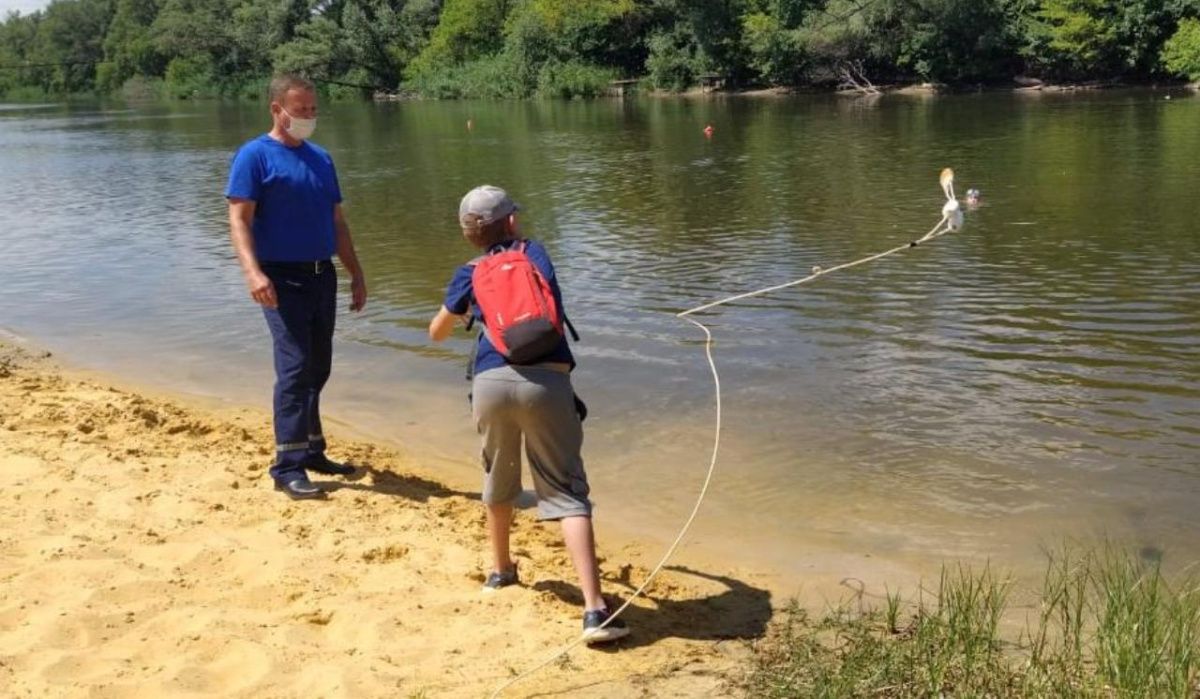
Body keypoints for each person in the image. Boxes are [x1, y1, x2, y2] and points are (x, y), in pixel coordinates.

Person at [428, 186, 630, 644]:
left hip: (490, 383)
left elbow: (436, 332)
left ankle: (500, 571)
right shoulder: (534, 252)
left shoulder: (469, 271)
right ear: (512, 223)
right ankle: (595, 610)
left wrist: (466, 315)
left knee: (499, 476)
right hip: (547, 382)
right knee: (566, 491)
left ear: (468, 234)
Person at [225, 74, 367, 501]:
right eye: (300, 109)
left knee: (318, 366)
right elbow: (239, 220)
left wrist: (356, 273)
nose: (308, 116)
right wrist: (253, 273)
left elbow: (337, 222)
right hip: (280, 277)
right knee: (295, 368)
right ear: (277, 109)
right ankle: (286, 465)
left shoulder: (321, 158)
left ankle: (311, 449)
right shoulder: (255, 156)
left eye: (312, 109)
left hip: (323, 274)